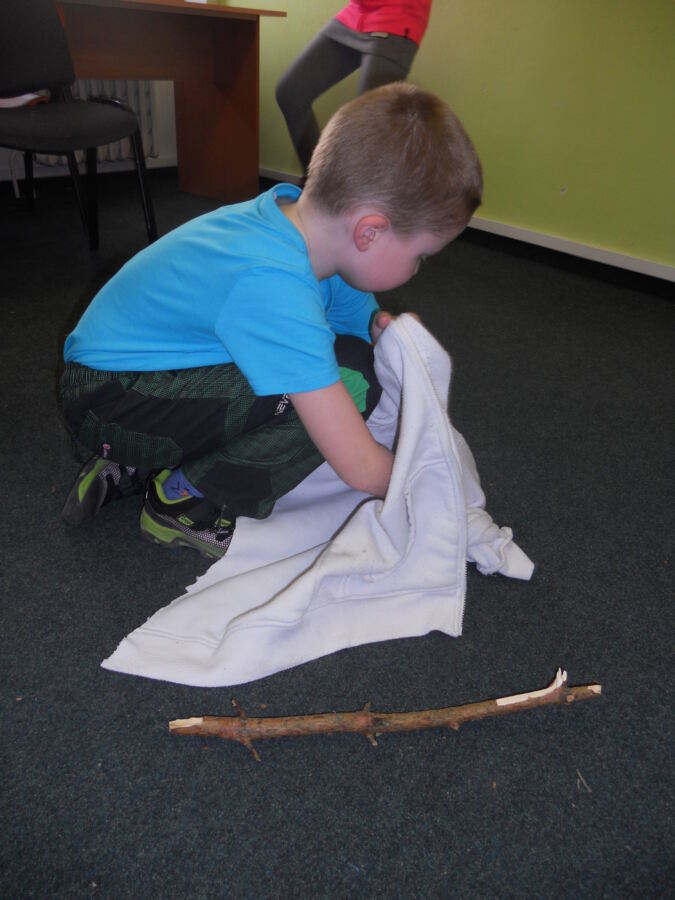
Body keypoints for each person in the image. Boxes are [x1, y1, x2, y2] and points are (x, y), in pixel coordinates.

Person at [59, 82, 482, 560]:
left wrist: (392, 339)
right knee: (347, 385)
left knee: (354, 365)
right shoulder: (272, 282)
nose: (418, 269)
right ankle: (186, 498)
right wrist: (433, 493)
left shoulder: (305, 228)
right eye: (421, 256)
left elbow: (364, 341)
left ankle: (138, 458)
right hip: (108, 400)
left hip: (133, 383)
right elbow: (359, 465)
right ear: (370, 232)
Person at [276, 0, 432, 172]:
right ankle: (319, 178)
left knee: (368, 129)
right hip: (356, 13)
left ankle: (345, 186)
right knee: (291, 94)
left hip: (397, 16)